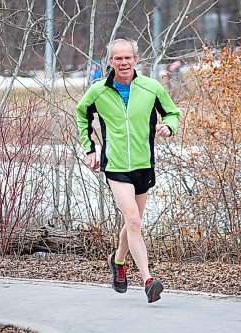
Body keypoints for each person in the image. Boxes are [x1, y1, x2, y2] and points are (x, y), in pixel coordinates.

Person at [75, 38, 180, 303]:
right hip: (116, 166)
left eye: (128, 58)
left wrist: (169, 127)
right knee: (133, 220)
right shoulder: (98, 91)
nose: (123, 63)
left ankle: (118, 260)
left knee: (132, 222)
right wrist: (89, 149)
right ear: (110, 62)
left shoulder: (151, 87)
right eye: (118, 58)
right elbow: (81, 113)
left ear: (135, 60)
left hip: (144, 165)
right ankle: (148, 280)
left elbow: (172, 112)